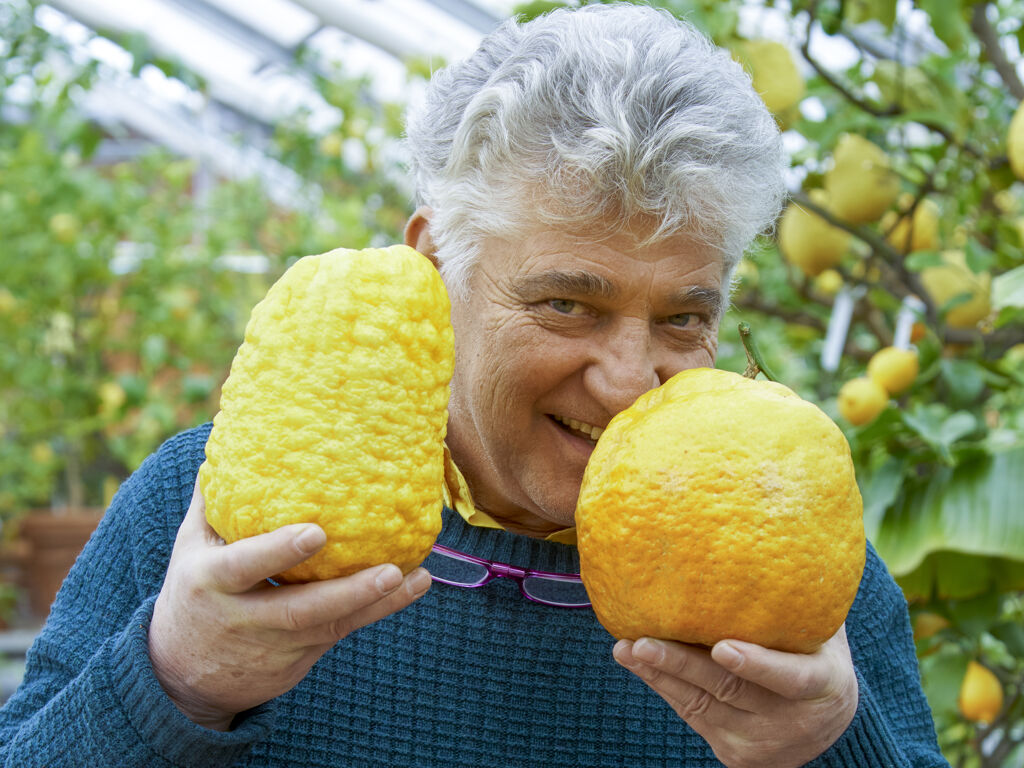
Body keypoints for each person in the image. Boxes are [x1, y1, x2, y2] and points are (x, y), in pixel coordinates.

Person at [0, 5, 947, 767]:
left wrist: (832, 749)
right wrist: (176, 682)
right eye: (568, 304)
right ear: (434, 265)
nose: (627, 382)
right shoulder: (213, 516)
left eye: (682, 320)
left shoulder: (791, 551)